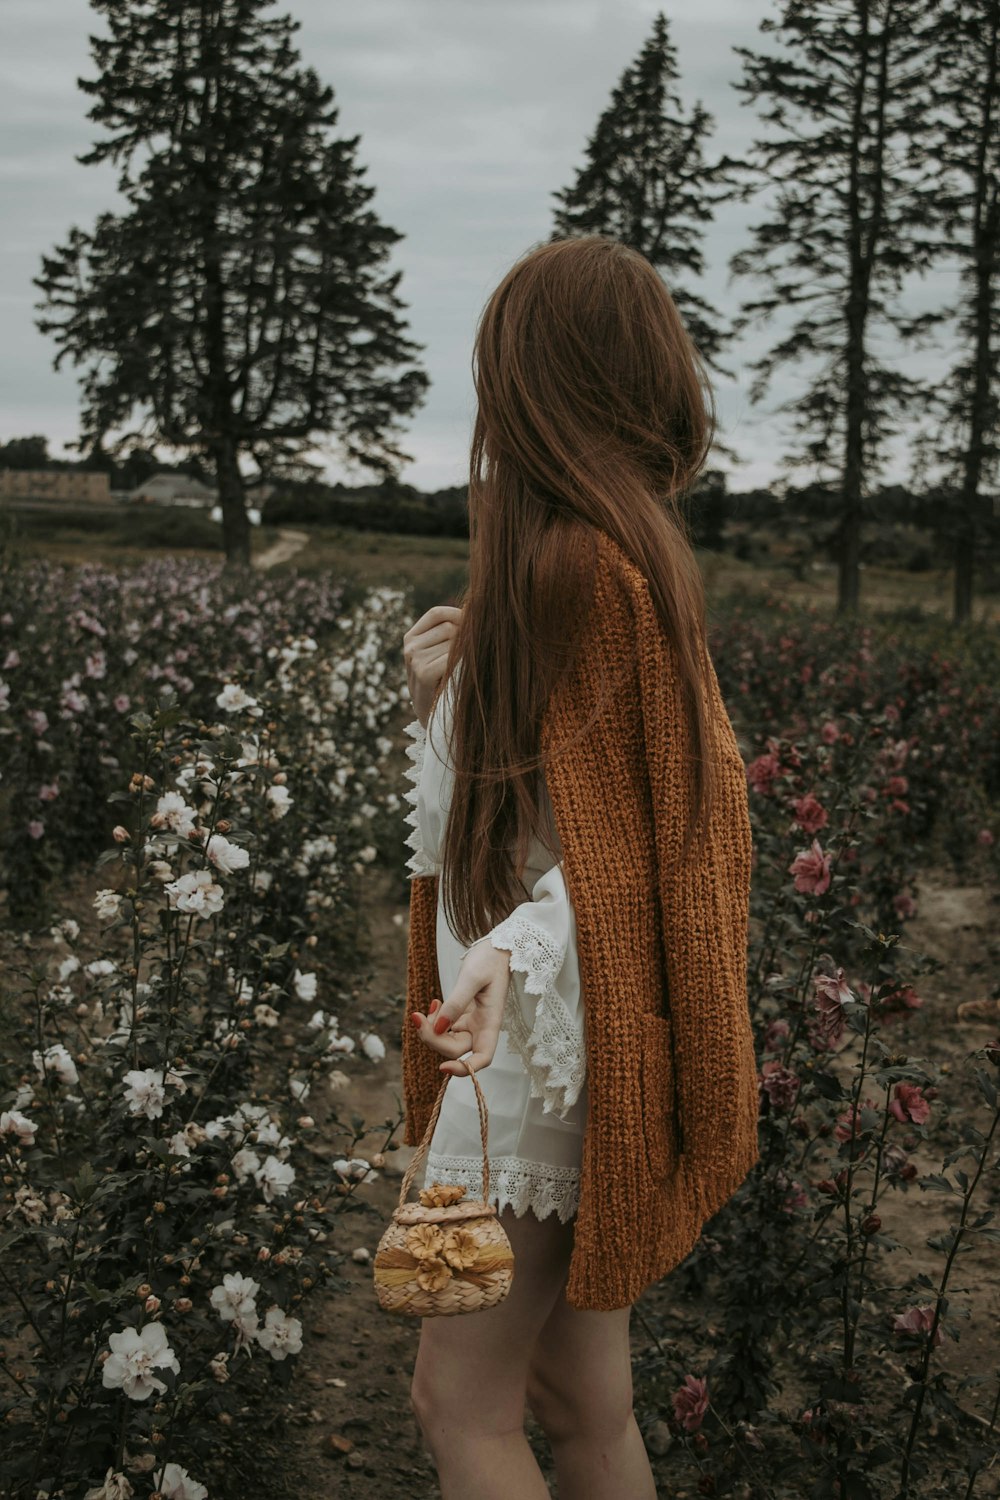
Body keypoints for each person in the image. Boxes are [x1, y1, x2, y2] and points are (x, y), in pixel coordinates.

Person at [399, 234, 757, 1500]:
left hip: (536, 1047)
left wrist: (503, 953)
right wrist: (447, 695)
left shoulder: (577, 566)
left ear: (533, 380)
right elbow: (561, 806)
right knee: (578, 1403)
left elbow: (633, 850)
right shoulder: (618, 546)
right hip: (558, 1037)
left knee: (463, 1404)